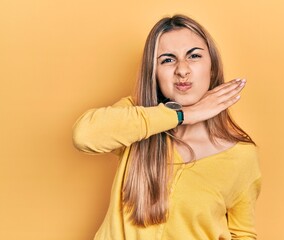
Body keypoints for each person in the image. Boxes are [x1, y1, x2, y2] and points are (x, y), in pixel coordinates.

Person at [73, 14, 261, 240]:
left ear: (212, 67)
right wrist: (184, 115)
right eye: (167, 60)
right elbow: (84, 135)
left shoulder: (240, 156)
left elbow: (243, 234)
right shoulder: (138, 118)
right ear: (154, 73)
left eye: (194, 56)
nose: (182, 70)